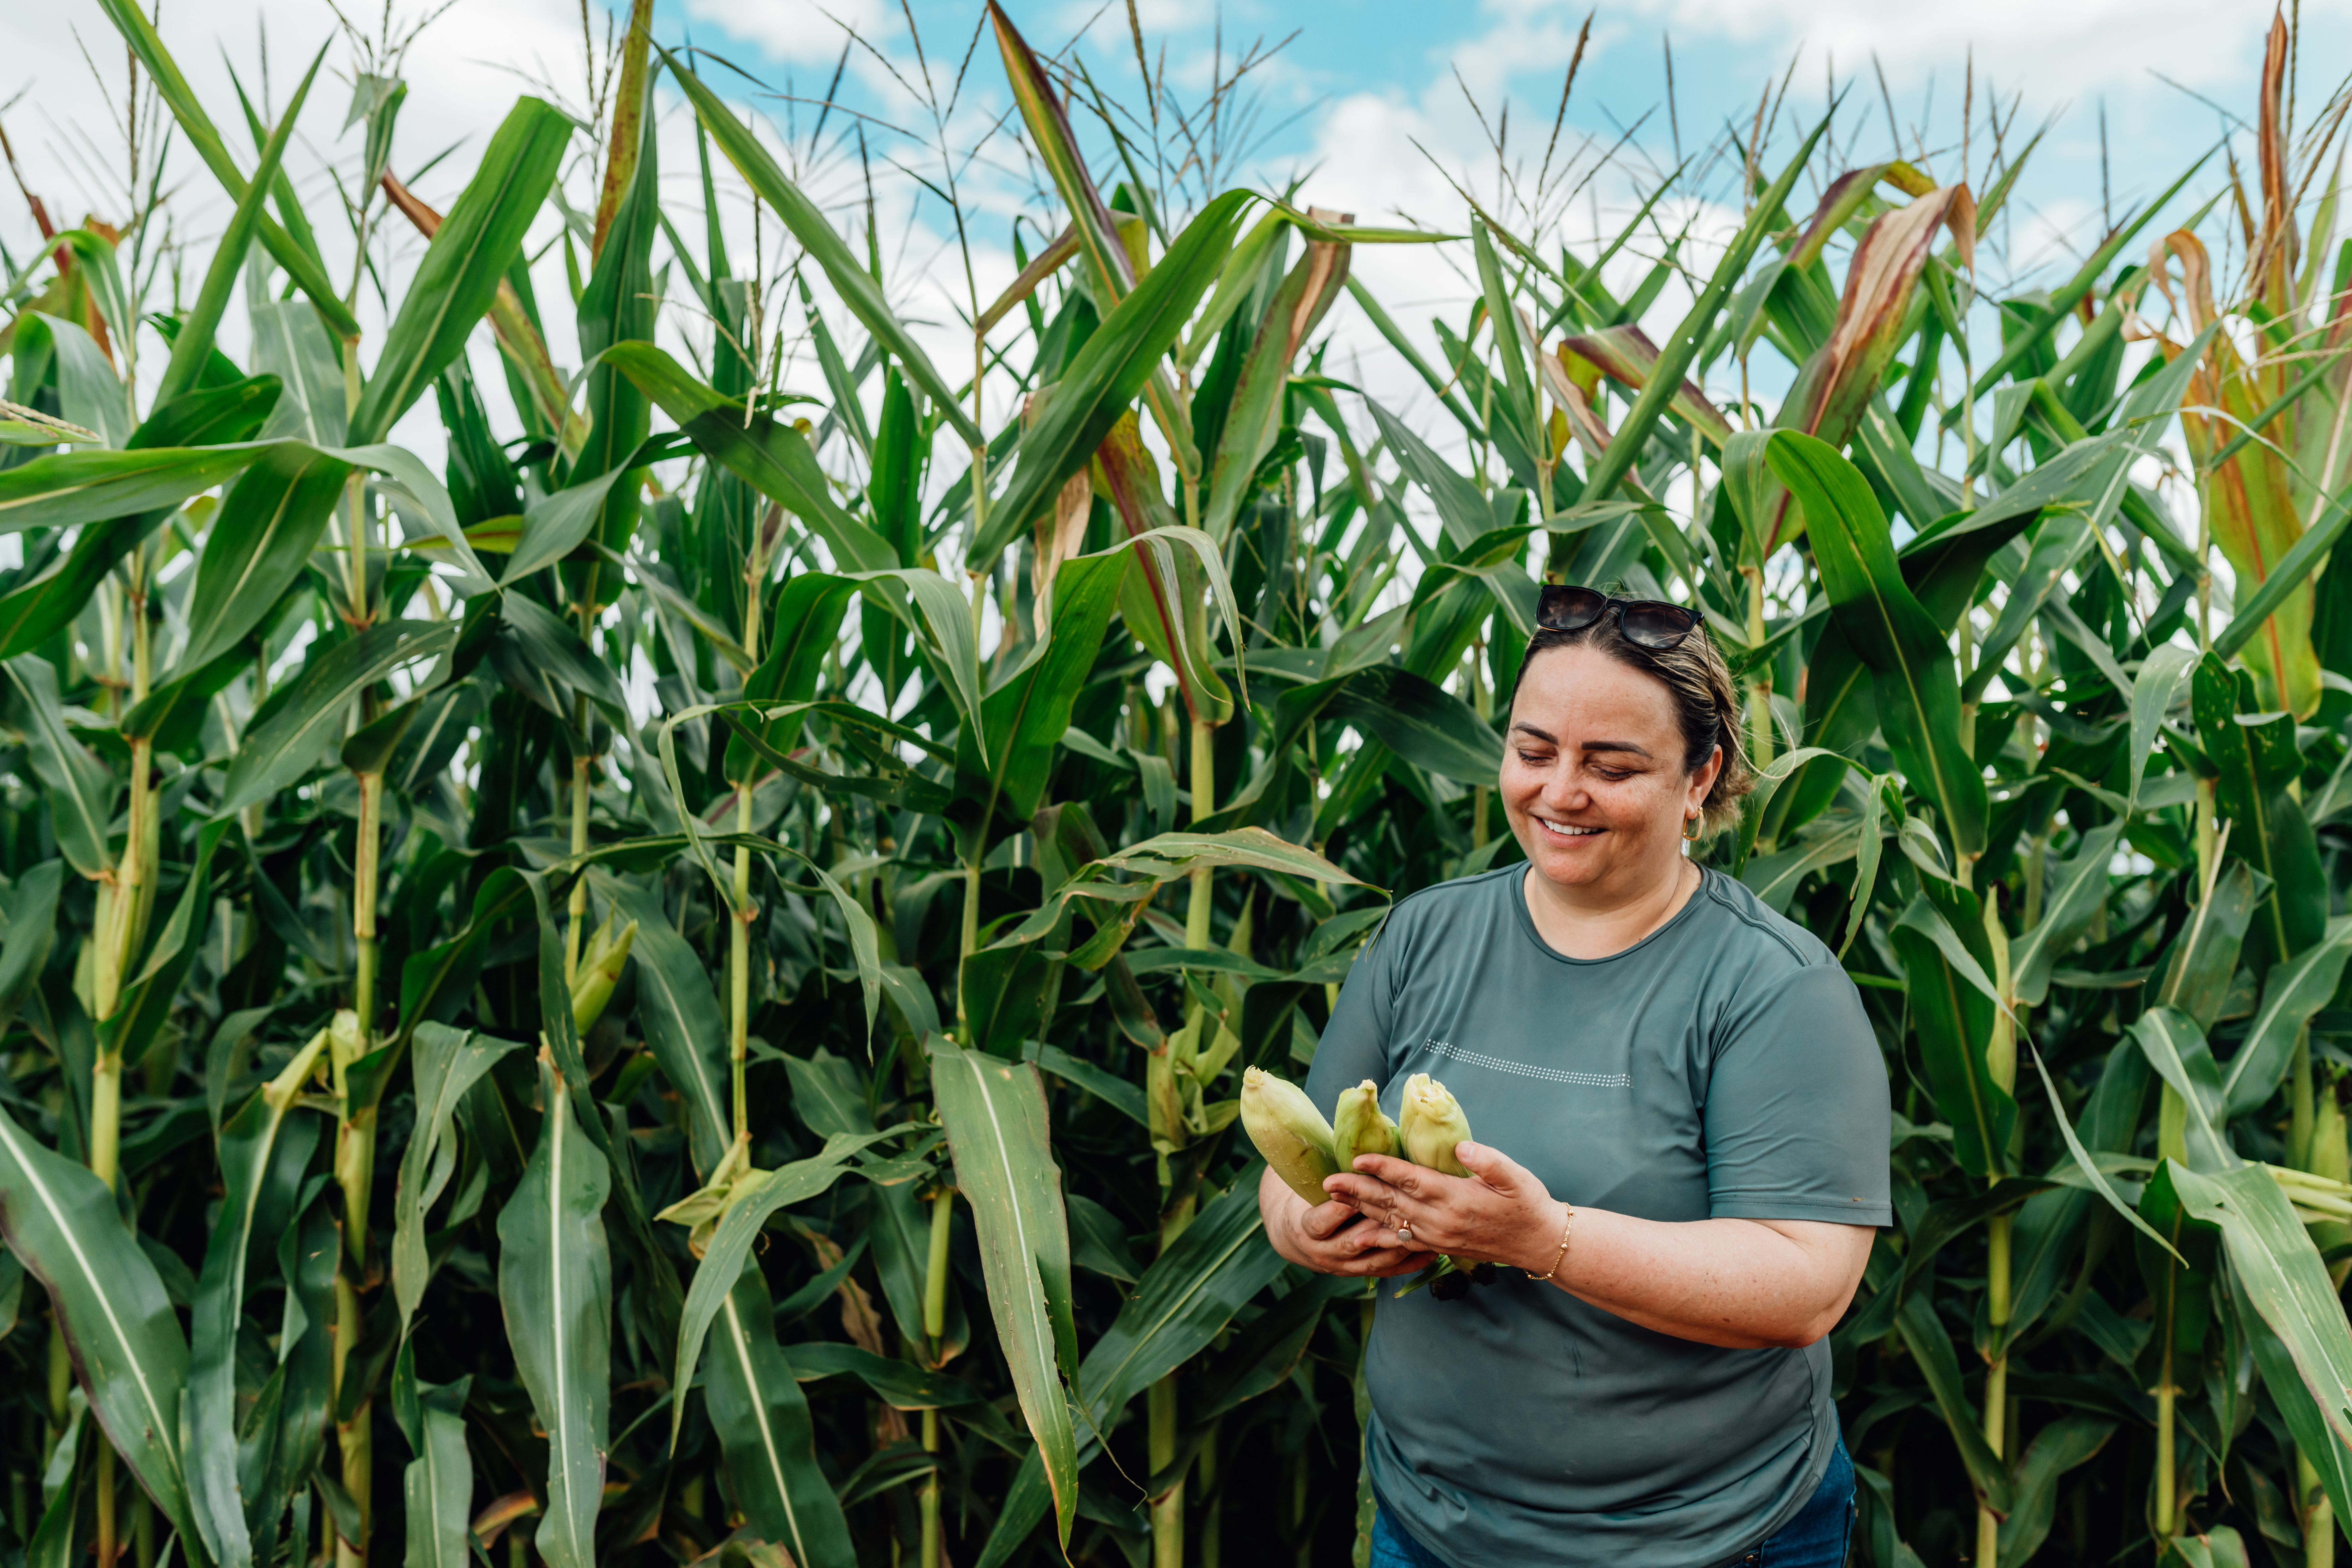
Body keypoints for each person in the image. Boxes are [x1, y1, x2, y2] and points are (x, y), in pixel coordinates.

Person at [1261, 585, 1890, 1568]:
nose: (1559, 792)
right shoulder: (1427, 936)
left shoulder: (1774, 987)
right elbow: (1288, 1165)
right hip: (1432, 1529)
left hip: (1706, 1543)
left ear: (1700, 776)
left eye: (1612, 765)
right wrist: (1316, 1228)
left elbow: (1804, 1285)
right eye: (1534, 750)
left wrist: (1542, 1240)